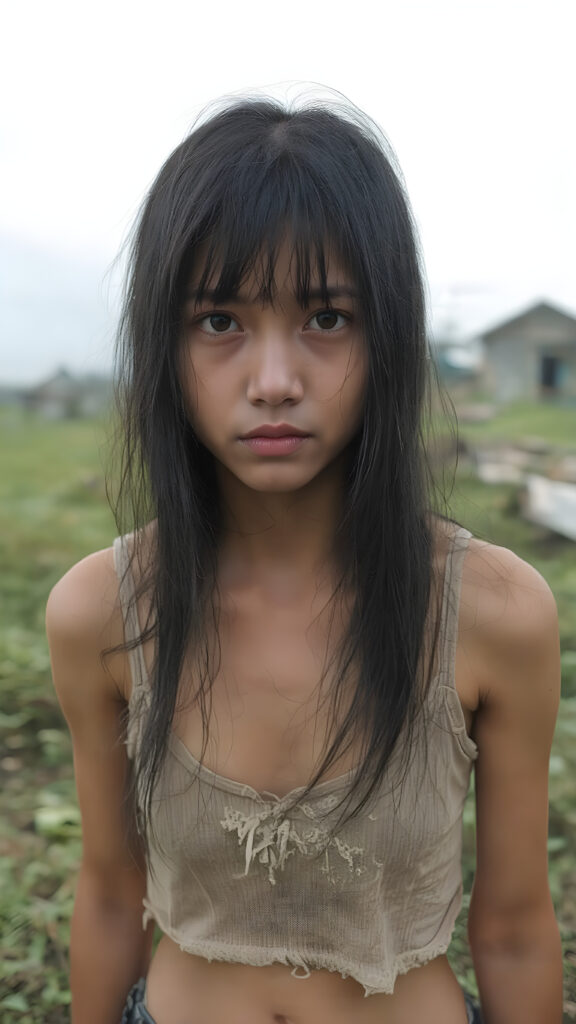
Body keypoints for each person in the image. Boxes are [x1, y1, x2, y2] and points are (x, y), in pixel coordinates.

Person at [46, 94, 563, 1024]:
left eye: (327, 318)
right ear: (164, 344)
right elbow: (112, 896)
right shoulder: (104, 610)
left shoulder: (493, 611)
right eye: (219, 321)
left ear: (388, 335)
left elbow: (518, 928)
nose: (275, 380)